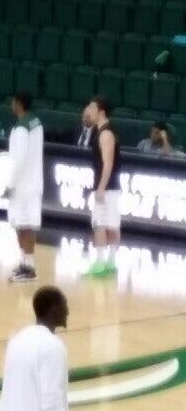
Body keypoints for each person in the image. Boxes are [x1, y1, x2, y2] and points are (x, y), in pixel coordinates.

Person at [2, 93, 44, 284]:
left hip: (23, 185)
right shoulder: (36, 122)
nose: (11, 105)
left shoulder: (21, 128)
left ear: (18, 104)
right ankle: (24, 262)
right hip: (33, 181)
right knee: (22, 224)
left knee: (24, 225)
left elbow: (19, 160)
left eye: (12, 102)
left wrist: (10, 185)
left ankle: (29, 267)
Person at [83, 95, 121, 278]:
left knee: (101, 224)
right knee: (110, 224)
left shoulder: (106, 133)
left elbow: (108, 163)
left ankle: (101, 262)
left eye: (92, 108)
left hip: (107, 187)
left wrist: (100, 187)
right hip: (110, 187)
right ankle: (110, 262)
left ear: (101, 111)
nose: (88, 111)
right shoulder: (100, 131)